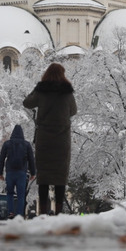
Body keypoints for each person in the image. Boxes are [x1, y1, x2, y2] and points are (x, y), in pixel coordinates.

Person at [23, 62, 77, 215]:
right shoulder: (67, 92)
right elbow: (73, 111)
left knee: (44, 177)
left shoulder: (42, 91)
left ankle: (43, 212)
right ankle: (59, 212)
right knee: (60, 177)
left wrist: (37, 88)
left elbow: (27, 102)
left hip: (44, 139)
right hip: (62, 140)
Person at [0, 124, 37, 219]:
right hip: (21, 173)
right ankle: (19, 214)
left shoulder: (7, 144)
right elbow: (31, 159)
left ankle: (10, 212)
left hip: (10, 172)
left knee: (10, 193)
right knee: (21, 195)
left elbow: (1, 158)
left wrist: (0, 173)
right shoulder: (27, 144)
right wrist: (33, 173)